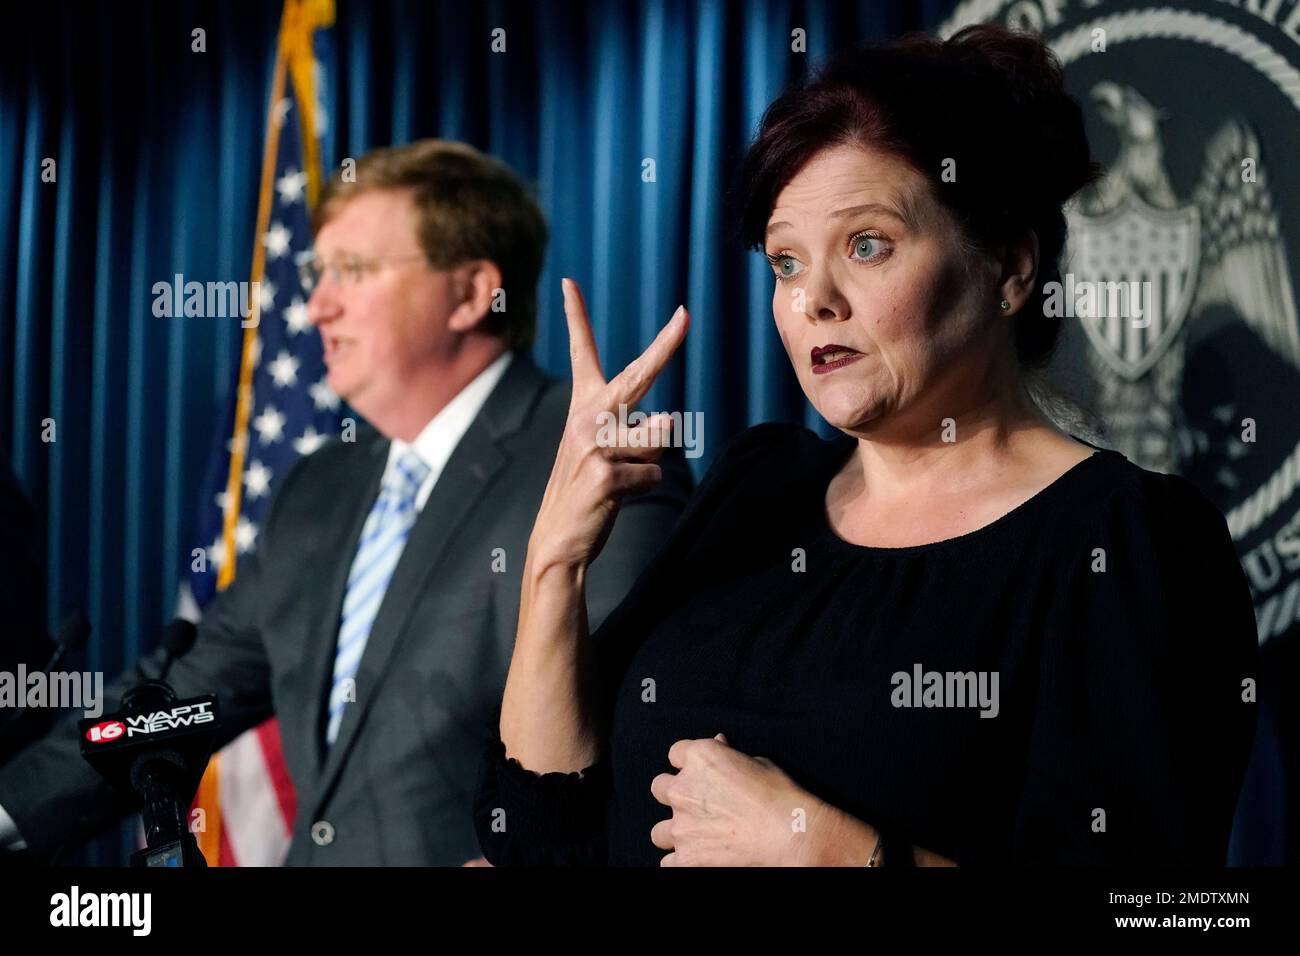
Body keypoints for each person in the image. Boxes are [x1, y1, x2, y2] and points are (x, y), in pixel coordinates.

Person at [474, 26, 1259, 866]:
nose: (815, 298)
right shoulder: (759, 484)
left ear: (1009, 269)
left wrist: (839, 855)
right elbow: (538, 838)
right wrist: (553, 562)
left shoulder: (1127, 541)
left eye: (867, 245)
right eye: (784, 261)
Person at [0, 140, 692, 865]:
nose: (317, 304)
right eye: (317, 273)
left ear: (470, 292)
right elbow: (174, 700)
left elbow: (632, 739)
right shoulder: (316, 490)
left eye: (353, 272)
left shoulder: (592, 457)